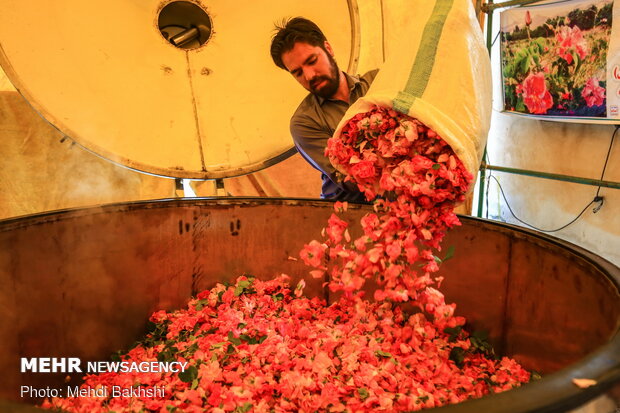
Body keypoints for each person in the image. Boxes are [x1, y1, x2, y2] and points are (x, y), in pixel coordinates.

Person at [270, 17, 378, 202]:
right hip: (350, 212)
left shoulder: (377, 82)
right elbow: (350, 179)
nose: (309, 75)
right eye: (297, 72)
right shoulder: (305, 122)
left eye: (312, 61)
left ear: (328, 49)